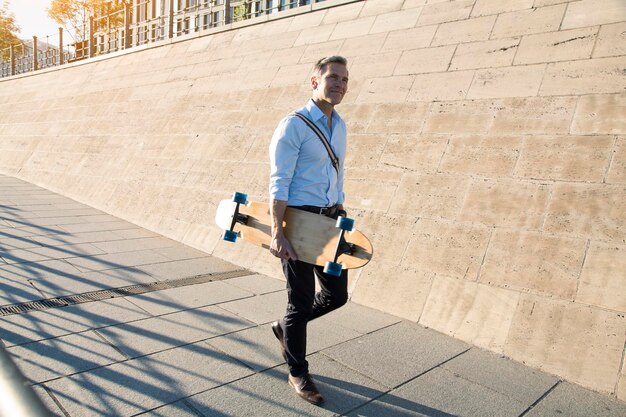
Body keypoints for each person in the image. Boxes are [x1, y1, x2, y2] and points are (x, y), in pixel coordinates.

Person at [268, 55, 350, 406]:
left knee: (337, 295)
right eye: (332, 77)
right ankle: (298, 371)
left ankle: (286, 327)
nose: (339, 84)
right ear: (313, 82)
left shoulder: (341, 124)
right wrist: (277, 231)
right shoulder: (294, 125)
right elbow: (279, 181)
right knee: (299, 301)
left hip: (331, 222)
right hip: (299, 221)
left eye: (345, 80)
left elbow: (336, 175)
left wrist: (341, 213)